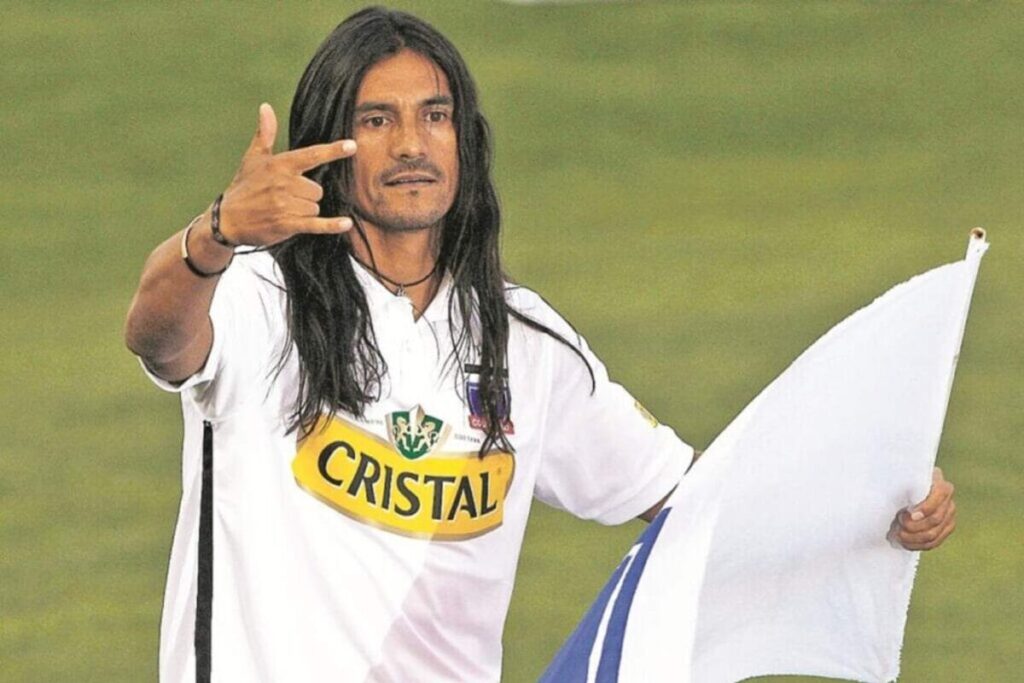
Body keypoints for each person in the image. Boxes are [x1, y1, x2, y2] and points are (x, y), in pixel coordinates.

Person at [124, 7, 957, 682]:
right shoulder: (258, 296)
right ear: (328, 146)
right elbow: (158, 336)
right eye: (376, 119)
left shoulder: (525, 342)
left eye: (435, 116)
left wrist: (877, 501)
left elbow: (705, 503)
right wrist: (218, 231)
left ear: (465, 141)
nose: (411, 144)